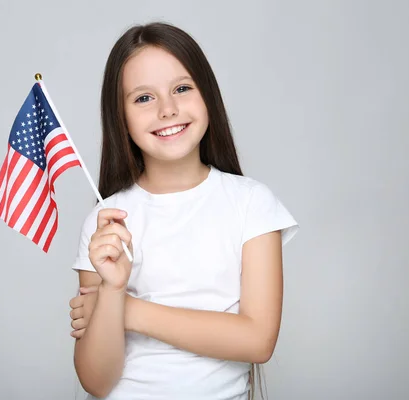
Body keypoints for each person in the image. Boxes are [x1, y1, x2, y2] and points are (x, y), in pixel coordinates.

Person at [68, 21, 299, 400]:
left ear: (207, 95)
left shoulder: (252, 204)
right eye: (143, 98)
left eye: (181, 88)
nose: (167, 109)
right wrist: (111, 290)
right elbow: (96, 381)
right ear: (120, 118)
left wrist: (129, 311)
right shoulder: (106, 222)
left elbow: (258, 340)